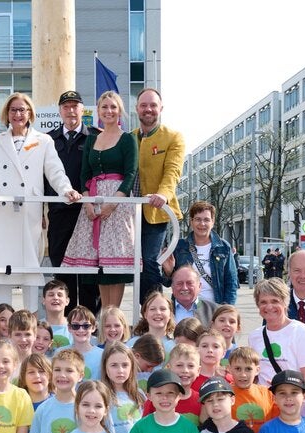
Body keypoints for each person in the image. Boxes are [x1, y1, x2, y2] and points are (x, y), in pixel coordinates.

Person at [62, 91, 138, 309]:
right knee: (99, 265)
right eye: (104, 107)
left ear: (119, 110)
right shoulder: (93, 139)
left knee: (115, 262)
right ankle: (104, 317)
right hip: (94, 200)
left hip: (118, 202)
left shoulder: (127, 139)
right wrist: (86, 201)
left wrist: (113, 203)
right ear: (98, 111)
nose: (109, 111)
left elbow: (131, 173)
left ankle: (115, 317)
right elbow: (85, 174)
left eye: (113, 107)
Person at [45, 90, 99, 314]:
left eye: (75, 106)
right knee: (62, 269)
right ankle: (66, 323)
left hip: (86, 213)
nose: (70, 110)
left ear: (82, 109)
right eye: (66, 106)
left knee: (88, 272)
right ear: (60, 111)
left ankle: (90, 322)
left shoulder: (95, 137)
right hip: (59, 213)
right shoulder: (48, 139)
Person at [132, 88, 185, 303]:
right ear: (137, 109)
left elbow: (173, 171)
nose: (148, 109)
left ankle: (153, 310)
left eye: (153, 105)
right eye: (144, 105)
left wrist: (163, 194)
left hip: (155, 211)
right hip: (127, 213)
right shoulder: (129, 138)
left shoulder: (173, 137)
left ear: (161, 108)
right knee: (125, 264)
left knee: (150, 260)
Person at [249, 278, 305, 393]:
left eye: (275, 301)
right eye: (263, 302)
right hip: (265, 402)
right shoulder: (254, 336)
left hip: (292, 401)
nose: (269, 306)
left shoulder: (301, 332)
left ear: (285, 303)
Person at [164, 201, 238, 307]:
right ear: (191, 221)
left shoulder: (223, 247)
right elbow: (168, 283)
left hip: (214, 308)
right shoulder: (179, 246)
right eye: (198, 219)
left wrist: (226, 309)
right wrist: (168, 272)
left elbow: (231, 282)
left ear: (212, 222)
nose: (202, 224)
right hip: (185, 306)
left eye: (206, 220)